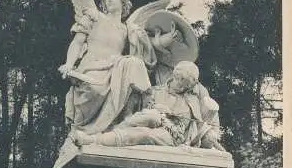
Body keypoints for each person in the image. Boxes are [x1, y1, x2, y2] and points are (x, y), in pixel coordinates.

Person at [58, 0, 178, 136]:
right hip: (92, 68)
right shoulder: (94, 16)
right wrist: (69, 64)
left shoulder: (128, 29)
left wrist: (167, 38)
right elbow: (77, 42)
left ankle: (131, 116)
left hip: (116, 70)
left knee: (134, 63)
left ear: (123, 1)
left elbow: (148, 46)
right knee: (97, 88)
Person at [71, 61, 224, 151]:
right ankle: (106, 135)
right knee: (151, 116)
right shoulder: (156, 91)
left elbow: (209, 120)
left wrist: (211, 134)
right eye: (179, 79)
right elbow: (139, 109)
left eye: (185, 84)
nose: (180, 85)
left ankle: (94, 141)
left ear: (189, 86)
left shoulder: (194, 99)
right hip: (151, 120)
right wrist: (160, 110)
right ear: (174, 75)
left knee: (144, 134)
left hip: (175, 135)